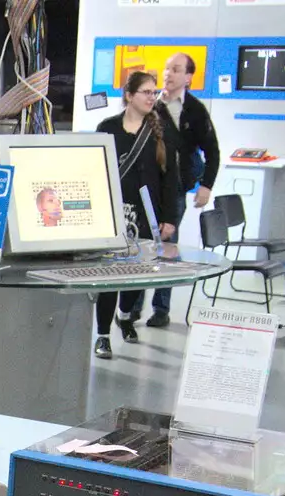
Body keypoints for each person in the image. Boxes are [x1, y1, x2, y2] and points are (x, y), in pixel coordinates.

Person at [93, 70, 181, 360]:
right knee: (109, 278)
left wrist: (170, 218)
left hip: (146, 217)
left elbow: (170, 178)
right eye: (145, 92)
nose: (151, 97)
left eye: (153, 92)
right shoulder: (107, 128)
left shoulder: (161, 131)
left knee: (135, 277)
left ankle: (125, 315)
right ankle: (103, 335)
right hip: (113, 216)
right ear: (129, 96)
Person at [147, 52, 221, 328]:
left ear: (188, 76)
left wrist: (206, 186)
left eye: (176, 70)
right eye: (167, 68)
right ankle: (129, 308)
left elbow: (212, 151)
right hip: (148, 185)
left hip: (175, 188)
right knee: (141, 243)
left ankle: (161, 308)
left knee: (167, 245)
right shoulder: (151, 104)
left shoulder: (195, 109)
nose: (169, 74)